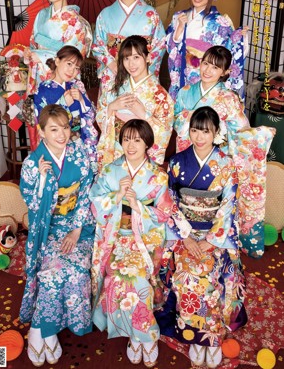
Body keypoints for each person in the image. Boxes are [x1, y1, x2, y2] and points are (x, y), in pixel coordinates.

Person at [156, 106, 247, 368]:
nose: (199, 136)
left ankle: (213, 336)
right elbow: (170, 202)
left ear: (216, 133)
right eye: (195, 130)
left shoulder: (226, 164)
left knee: (212, 274)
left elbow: (229, 204)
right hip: (184, 233)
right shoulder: (176, 162)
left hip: (216, 234)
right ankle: (194, 337)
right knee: (186, 274)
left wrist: (212, 239)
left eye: (206, 131)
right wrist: (186, 237)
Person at [89, 119, 176, 368]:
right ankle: (137, 336)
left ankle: (144, 338)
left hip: (144, 241)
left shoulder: (157, 176)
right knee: (117, 278)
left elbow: (164, 212)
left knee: (136, 280)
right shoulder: (110, 170)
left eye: (137, 139)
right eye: (126, 138)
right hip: (116, 239)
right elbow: (95, 203)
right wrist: (117, 195)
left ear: (147, 143)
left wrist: (137, 206)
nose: (131, 144)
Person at [174, 45, 275, 258]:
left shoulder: (228, 98)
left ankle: (216, 236)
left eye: (216, 67)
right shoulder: (185, 92)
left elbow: (240, 131)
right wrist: (188, 122)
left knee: (223, 198)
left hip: (214, 158)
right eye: (206, 63)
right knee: (178, 194)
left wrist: (257, 137)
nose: (208, 70)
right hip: (186, 153)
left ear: (225, 72)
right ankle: (183, 232)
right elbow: (175, 120)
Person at [19, 104, 95, 367]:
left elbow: (86, 192)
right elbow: (33, 205)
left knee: (76, 270)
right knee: (52, 272)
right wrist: (42, 181)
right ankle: (44, 331)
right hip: (48, 228)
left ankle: (40, 331)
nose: (61, 134)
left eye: (64, 127)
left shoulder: (79, 153)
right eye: (53, 129)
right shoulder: (32, 164)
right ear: (41, 132)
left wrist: (76, 229)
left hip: (79, 225)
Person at [23, 0, 92, 150]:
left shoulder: (75, 21)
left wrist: (41, 55)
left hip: (61, 78)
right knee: (40, 122)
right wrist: (30, 54)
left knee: (62, 123)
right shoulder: (41, 15)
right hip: (38, 76)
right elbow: (33, 42)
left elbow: (75, 56)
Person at [166, 0, 248, 101]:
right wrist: (180, 29)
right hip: (181, 74)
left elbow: (228, 53)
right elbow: (170, 48)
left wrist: (239, 38)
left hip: (205, 77)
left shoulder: (221, 22)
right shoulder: (178, 16)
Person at [96, 35, 174, 170]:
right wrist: (111, 108)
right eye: (126, 58)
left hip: (140, 153)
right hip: (115, 150)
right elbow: (99, 116)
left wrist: (144, 115)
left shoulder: (160, 95)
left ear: (148, 58)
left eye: (136, 57)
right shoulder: (113, 87)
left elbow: (164, 132)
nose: (131, 64)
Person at [91, 0, 166, 94]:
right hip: (114, 71)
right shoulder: (105, 14)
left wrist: (141, 67)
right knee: (113, 110)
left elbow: (160, 44)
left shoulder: (150, 14)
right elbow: (97, 46)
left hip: (142, 72)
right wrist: (112, 64)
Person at [34, 45, 98, 173]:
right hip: (58, 141)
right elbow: (44, 123)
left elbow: (91, 116)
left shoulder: (77, 85)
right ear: (57, 61)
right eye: (69, 64)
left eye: (76, 68)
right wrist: (64, 104)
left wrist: (81, 100)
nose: (72, 71)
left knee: (83, 176)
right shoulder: (42, 91)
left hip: (80, 140)